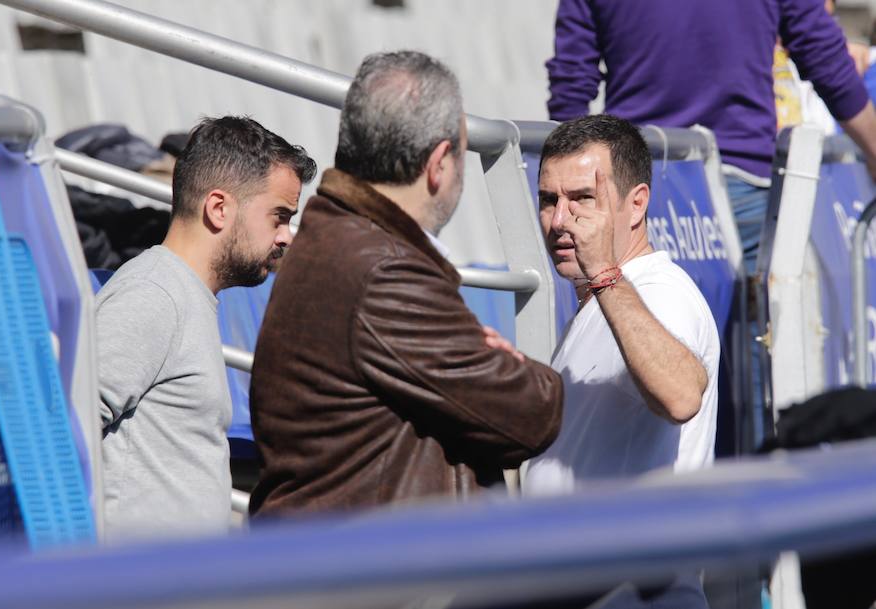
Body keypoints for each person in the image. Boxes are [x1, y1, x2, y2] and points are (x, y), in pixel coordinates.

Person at [249, 51, 563, 518]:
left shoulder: (334, 237)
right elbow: (532, 413)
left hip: (340, 564)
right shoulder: (385, 271)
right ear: (439, 163)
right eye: (460, 152)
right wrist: (507, 364)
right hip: (380, 577)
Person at [522, 115, 719, 608]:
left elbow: (679, 394)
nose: (560, 220)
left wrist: (605, 274)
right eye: (549, 200)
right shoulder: (603, 300)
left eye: (582, 199)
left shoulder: (660, 292)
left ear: (637, 205)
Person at [97, 116, 316, 540]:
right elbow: (62, 427)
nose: (288, 236)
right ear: (219, 209)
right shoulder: (152, 295)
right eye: (279, 217)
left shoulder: (179, 294)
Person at [546, 0, 876, 275]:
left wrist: (575, 187)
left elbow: (571, 81)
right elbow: (826, 60)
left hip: (644, 182)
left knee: (643, 334)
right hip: (735, 178)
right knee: (749, 342)